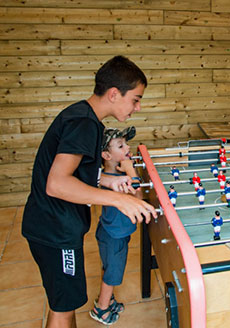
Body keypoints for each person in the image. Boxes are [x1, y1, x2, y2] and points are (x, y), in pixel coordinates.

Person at [22, 56, 157, 328]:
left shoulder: (87, 119)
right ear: (114, 93)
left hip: (52, 227)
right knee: (63, 308)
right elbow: (57, 184)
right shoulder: (84, 123)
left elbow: (78, 174)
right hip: (55, 231)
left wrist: (107, 181)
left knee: (65, 303)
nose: (138, 107)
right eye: (135, 99)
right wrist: (119, 199)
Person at [91, 126, 141, 325]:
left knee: (109, 267)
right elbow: (137, 196)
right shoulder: (114, 181)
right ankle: (101, 309)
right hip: (114, 235)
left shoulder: (109, 176)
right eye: (120, 145)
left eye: (126, 143)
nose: (127, 147)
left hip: (111, 231)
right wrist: (130, 169)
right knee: (113, 273)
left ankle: (107, 299)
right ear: (106, 154)